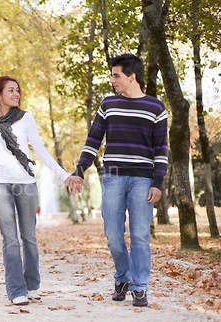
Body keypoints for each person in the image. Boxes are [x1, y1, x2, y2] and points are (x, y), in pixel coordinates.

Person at [68, 54, 168, 307]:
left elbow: (161, 149)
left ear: (131, 76)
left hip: (143, 181)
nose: (112, 80)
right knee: (113, 234)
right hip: (112, 177)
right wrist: (80, 170)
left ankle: (140, 286)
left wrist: (159, 182)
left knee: (140, 236)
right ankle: (123, 277)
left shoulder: (156, 107)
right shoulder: (108, 104)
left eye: (116, 75)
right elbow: (93, 140)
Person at [0, 76, 74, 305]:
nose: (16, 94)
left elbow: (41, 151)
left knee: (29, 237)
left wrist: (65, 175)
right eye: (11, 90)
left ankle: (32, 285)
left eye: (18, 90)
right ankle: (16, 291)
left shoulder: (25, 118)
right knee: (10, 240)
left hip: (25, 184)